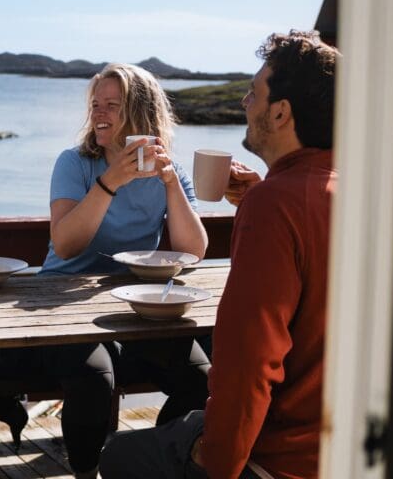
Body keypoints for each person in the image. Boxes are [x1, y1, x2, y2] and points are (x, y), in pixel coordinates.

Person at [99, 30, 340, 479]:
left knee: (117, 456)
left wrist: (219, 462)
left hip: (279, 457)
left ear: (282, 112)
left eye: (253, 94)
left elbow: (251, 360)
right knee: (183, 414)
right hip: (340, 449)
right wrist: (263, 193)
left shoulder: (276, 205)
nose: (245, 103)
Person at [0, 62, 209, 478]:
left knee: (202, 380)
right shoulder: (76, 163)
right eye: (96, 104)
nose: (99, 113)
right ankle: (85, 473)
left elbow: (193, 250)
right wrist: (110, 183)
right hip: (59, 305)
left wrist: (172, 184)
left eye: (113, 106)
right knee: (95, 381)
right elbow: (65, 243)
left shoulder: (168, 171)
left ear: (143, 114)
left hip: (137, 309)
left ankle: (155, 455)